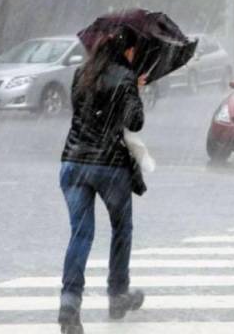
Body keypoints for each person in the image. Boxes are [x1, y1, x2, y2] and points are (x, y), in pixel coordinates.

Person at [58, 27, 146, 334]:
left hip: (73, 162)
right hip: (109, 166)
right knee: (121, 228)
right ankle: (117, 294)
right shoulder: (125, 76)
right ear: (128, 51)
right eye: (135, 51)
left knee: (80, 235)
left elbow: (81, 113)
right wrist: (135, 88)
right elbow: (135, 121)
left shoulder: (81, 73)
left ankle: (69, 302)